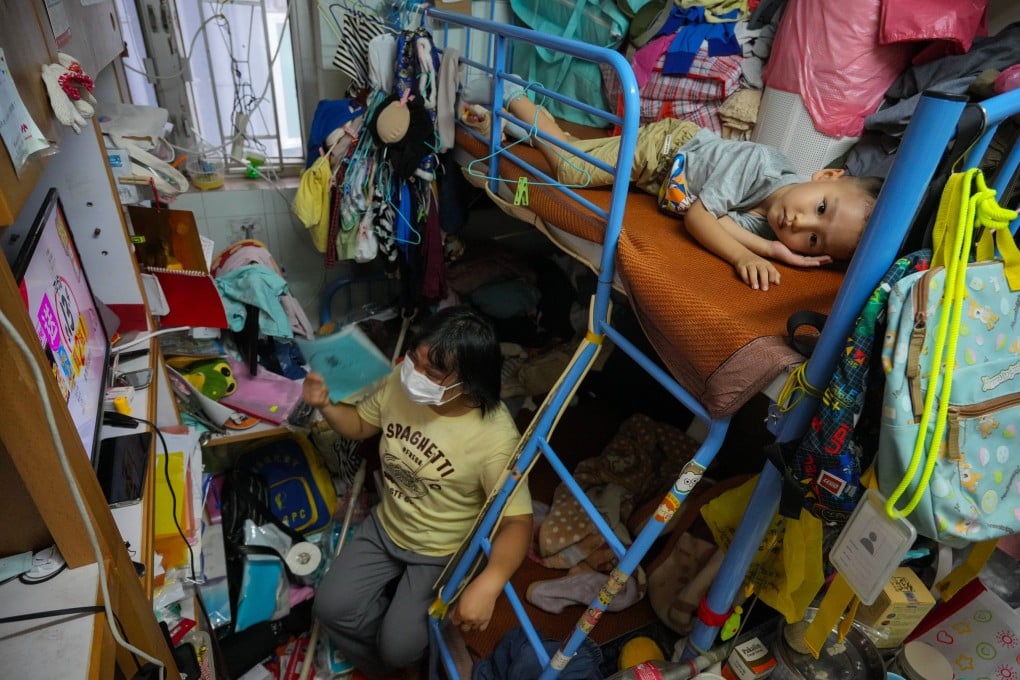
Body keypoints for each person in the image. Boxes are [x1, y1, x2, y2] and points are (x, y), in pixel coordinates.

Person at [304, 306, 533, 679]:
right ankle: (392, 655)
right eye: (415, 359)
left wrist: (490, 582)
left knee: (399, 646)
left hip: (440, 552)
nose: (415, 374)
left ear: (469, 381)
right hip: (387, 525)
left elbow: (519, 521)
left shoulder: (495, 438)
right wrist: (325, 405)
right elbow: (362, 424)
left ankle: (403, 642)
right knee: (329, 607)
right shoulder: (401, 380)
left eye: (434, 372)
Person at [463, 91, 882, 291]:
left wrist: (769, 248)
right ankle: (510, 92)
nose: (800, 222)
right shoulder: (762, 165)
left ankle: (504, 126)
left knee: (571, 151)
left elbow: (717, 219)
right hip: (665, 151)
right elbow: (700, 218)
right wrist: (747, 254)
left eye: (812, 240)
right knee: (573, 169)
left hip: (664, 179)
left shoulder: (773, 230)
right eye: (821, 208)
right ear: (825, 177)